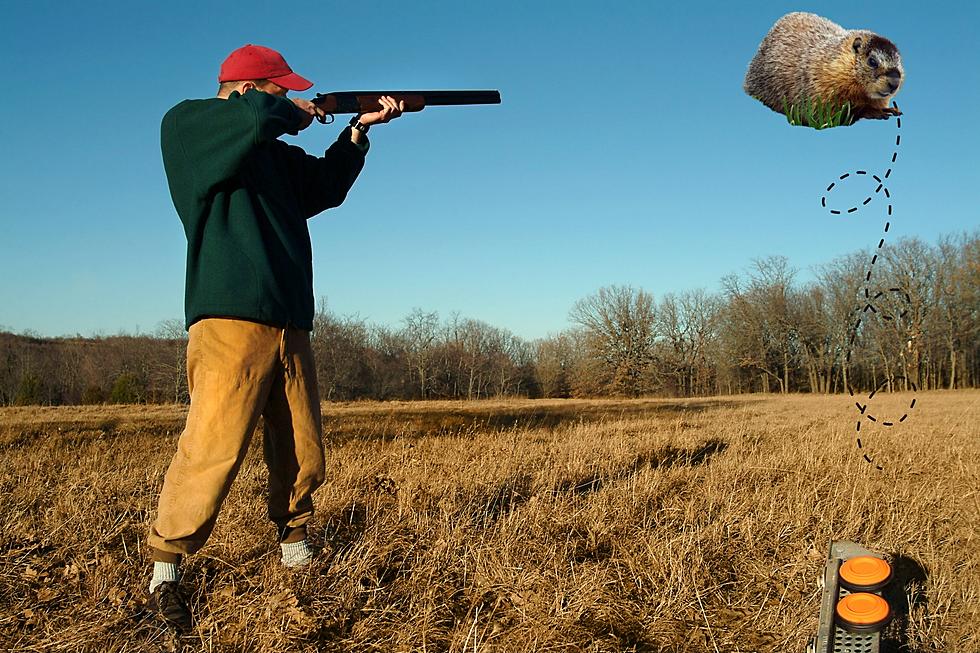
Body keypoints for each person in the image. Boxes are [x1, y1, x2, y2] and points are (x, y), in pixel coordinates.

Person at [146, 44, 405, 631]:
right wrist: (306, 111)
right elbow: (261, 117)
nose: (288, 98)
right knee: (214, 444)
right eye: (279, 88)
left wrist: (359, 131)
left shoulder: (270, 153)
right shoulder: (190, 127)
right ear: (243, 88)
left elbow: (324, 187)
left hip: (291, 319)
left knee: (301, 445)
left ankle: (295, 544)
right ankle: (167, 564)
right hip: (230, 320)